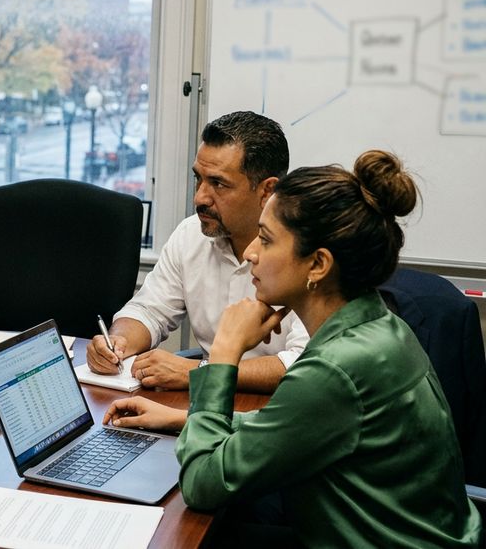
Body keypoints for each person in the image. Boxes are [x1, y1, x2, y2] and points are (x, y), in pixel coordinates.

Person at [104, 151, 481, 547]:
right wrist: (178, 419)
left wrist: (225, 352)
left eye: (265, 240)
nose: (250, 252)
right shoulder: (382, 327)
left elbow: (202, 483)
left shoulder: (335, 370)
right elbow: (296, 425)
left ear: (317, 265)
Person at [86, 111, 308, 392]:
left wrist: (198, 372)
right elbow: (149, 311)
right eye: (198, 179)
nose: (199, 198)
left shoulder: (306, 253)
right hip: (208, 403)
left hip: (276, 410)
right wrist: (117, 342)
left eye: (218, 184)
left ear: (267, 191)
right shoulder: (191, 234)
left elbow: (303, 365)